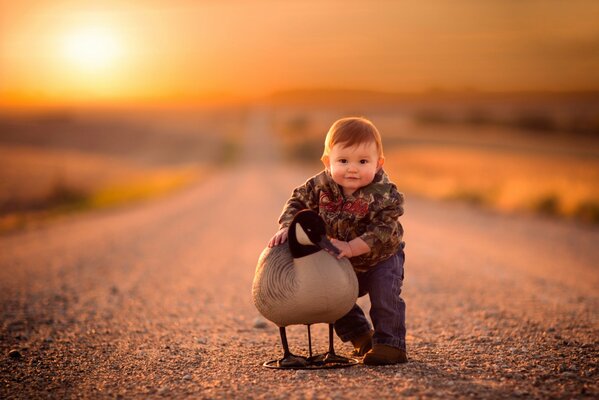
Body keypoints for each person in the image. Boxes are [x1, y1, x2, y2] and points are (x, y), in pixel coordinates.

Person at [268, 116, 407, 365]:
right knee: (333, 297)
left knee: (385, 298)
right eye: (343, 161)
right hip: (339, 257)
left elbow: (383, 229)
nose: (352, 168)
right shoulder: (318, 186)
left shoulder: (386, 193)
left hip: (380, 258)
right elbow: (297, 203)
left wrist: (353, 247)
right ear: (327, 161)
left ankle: (390, 343)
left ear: (378, 164)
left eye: (363, 161)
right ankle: (362, 337)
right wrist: (288, 225)